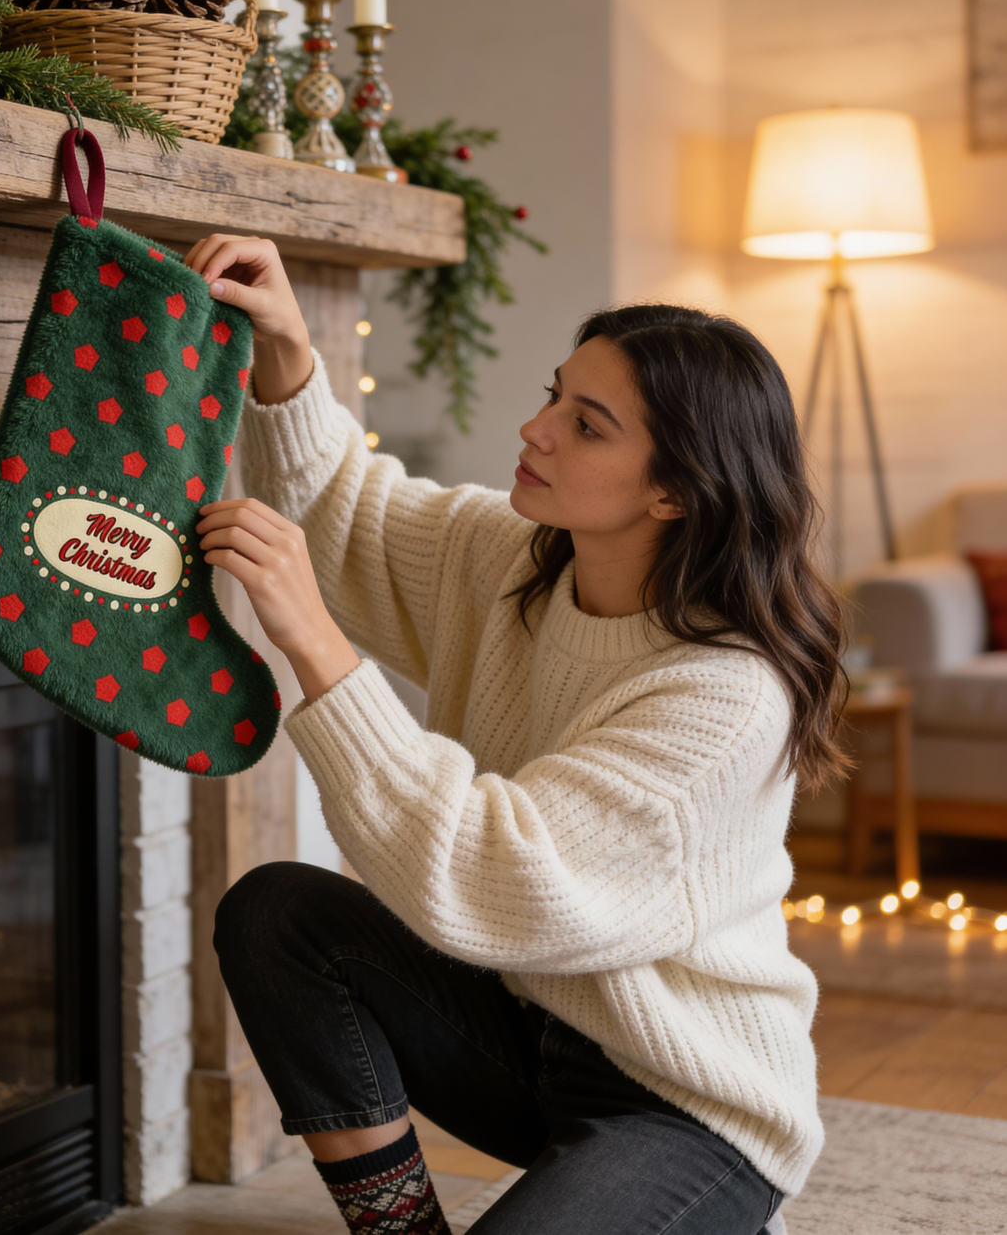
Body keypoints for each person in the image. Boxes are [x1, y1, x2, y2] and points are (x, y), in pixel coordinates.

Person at [183, 233, 846, 1235]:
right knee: (279, 913)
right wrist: (283, 342)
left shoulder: (724, 694)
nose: (533, 429)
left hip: (682, 1096)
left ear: (672, 488)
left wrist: (310, 640)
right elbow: (346, 516)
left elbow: (495, 873)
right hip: (527, 1038)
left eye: (584, 424)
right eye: (552, 396)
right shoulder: (518, 555)